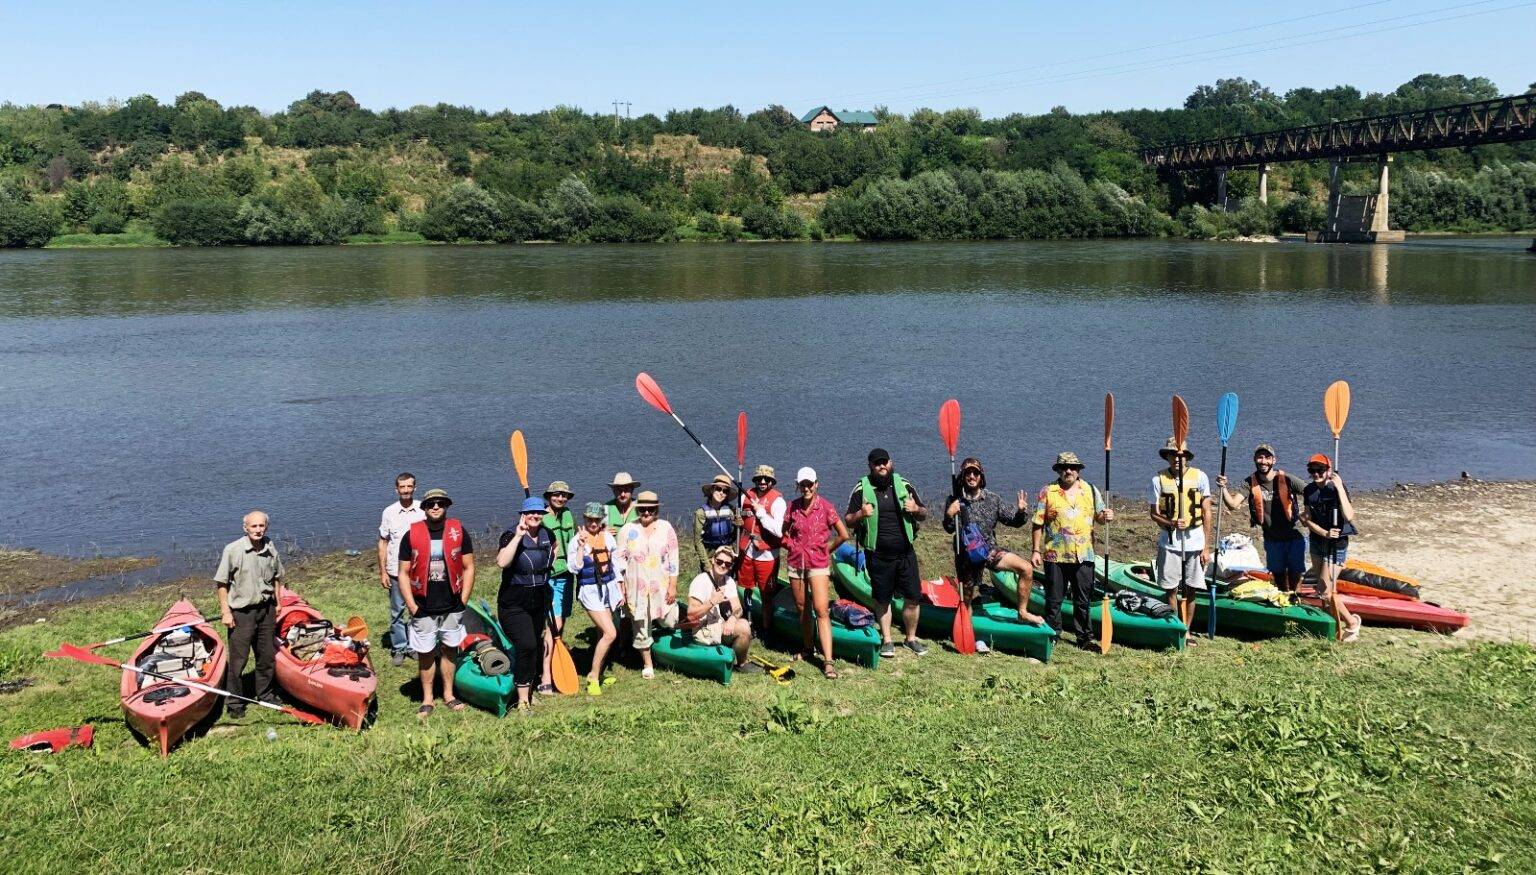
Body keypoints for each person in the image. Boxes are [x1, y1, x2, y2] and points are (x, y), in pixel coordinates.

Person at [397, 488, 475, 718]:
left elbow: (469, 567)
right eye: (431, 504)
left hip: (452, 603)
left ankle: (449, 694)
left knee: (450, 650)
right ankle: (428, 698)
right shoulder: (411, 535)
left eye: (440, 503)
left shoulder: (459, 532)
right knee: (426, 653)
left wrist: (463, 600)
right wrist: (412, 606)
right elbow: (403, 573)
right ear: (424, 507)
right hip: (423, 604)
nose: (435, 507)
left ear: (447, 506)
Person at [943, 456, 1041, 636]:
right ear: (962, 477)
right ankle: (966, 631)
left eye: (975, 473)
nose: (972, 476)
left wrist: (1021, 512)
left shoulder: (993, 499)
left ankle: (1022, 612)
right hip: (966, 556)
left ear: (981, 476)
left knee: (1026, 568)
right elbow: (949, 529)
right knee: (967, 600)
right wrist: (949, 515)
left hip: (989, 551)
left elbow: (1013, 521)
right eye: (968, 473)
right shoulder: (954, 500)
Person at [845, 448, 929, 658]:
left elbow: (924, 513)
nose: (881, 466)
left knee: (912, 598)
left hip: (905, 553)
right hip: (878, 556)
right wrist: (860, 513)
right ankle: (888, 640)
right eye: (877, 463)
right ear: (870, 466)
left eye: (884, 462)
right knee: (882, 599)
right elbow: (847, 520)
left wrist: (915, 509)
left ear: (891, 463)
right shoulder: (860, 489)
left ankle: (910, 638)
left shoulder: (904, 485)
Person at [1030, 453, 1115, 650]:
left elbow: (1100, 517)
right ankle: (1052, 634)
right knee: (1053, 600)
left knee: (1083, 600)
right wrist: (1035, 550)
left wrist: (1106, 515)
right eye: (1065, 467)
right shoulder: (1048, 492)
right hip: (1055, 556)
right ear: (1059, 470)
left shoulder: (1091, 490)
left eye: (1073, 467)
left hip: (1084, 555)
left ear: (1078, 470)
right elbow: (1037, 523)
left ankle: (1084, 638)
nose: (1069, 471)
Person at [213, 510, 285, 718]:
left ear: (266, 527)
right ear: (245, 528)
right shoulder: (233, 550)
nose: (258, 530)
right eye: (253, 526)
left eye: (261, 526)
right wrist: (225, 612)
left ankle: (265, 694)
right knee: (238, 660)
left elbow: (277, 577)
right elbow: (221, 583)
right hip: (242, 613)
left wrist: (278, 603)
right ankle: (235, 702)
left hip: (267, 610)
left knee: (266, 656)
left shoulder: (270, 546)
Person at [782, 467, 852, 677]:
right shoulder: (792, 507)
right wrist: (791, 545)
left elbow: (843, 534)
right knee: (802, 609)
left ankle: (828, 661)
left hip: (818, 565)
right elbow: (784, 533)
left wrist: (827, 549)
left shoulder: (826, 507)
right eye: (802, 484)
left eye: (809, 484)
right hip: (796, 564)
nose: (806, 488)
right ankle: (807, 648)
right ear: (798, 485)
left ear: (816, 484)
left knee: (821, 610)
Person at [1215, 444, 1309, 592]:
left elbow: (1310, 492)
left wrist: (1307, 514)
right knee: (1279, 578)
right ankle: (1283, 605)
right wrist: (1224, 487)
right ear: (1254, 459)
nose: (1263, 461)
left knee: (1294, 575)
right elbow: (1233, 504)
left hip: (1293, 535)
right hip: (1271, 537)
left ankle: (1295, 602)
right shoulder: (1249, 483)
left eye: (1267, 457)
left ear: (1274, 460)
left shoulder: (1287, 479)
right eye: (1260, 457)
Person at [1148, 438, 1212, 645]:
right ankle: (1174, 626)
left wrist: (1206, 546)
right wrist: (1171, 522)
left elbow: (1207, 512)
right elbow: (1153, 513)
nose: (1177, 459)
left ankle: (1187, 630)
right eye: (1172, 455)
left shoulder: (1200, 477)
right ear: (1167, 456)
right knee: (1171, 588)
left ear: (1187, 457)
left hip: (1195, 541)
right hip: (1170, 543)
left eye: (1181, 455)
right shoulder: (1158, 480)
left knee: (1191, 588)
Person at [495, 497, 556, 711]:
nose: (535, 516)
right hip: (513, 601)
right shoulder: (511, 534)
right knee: (527, 645)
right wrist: (519, 536)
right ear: (523, 514)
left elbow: (552, 555)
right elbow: (502, 562)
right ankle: (522, 700)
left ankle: (529, 689)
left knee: (536, 645)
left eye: (539, 513)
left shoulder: (548, 534)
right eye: (531, 513)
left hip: (538, 599)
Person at [616, 490, 680, 678]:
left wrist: (673, 585)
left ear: (656, 510)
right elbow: (619, 561)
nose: (646, 513)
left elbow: (673, 558)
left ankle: (661, 639)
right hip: (636, 587)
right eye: (642, 509)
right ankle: (648, 663)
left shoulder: (666, 527)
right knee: (641, 624)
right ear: (637, 509)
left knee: (669, 620)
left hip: (661, 586)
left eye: (650, 509)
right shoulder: (627, 530)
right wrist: (622, 587)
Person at [1301, 454, 1362, 643]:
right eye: (1312, 470)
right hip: (1319, 541)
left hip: (1337, 544)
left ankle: (1352, 623)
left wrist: (1339, 487)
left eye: (1320, 470)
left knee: (1326, 591)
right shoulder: (1309, 490)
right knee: (1322, 591)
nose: (1316, 474)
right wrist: (1322, 532)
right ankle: (1330, 626)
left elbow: (1350, 515)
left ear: (1329, 470)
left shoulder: (1337, 488)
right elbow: (1306, 519)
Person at [568, 502, 626, 695]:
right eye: (589, 519)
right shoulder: (577, 540)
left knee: (603, 634)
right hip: (590, 592)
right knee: (610, 633)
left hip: (608, 590)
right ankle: (592, 677)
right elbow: (573, 568)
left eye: (596, 520)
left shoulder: (608, 537)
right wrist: (580, 547)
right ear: (584, 519)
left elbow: (615, 565)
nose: (593, 523)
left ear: (601, 521)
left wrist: (620, 589)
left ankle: (599, 674)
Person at [684, 545, 761, 675]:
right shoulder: (700, 581)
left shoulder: (728, 581)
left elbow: (738, 608)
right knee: (743, 628)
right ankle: (734, 660)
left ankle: (740, 662)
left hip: (718, 625)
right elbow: (691, 615)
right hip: (703, 629)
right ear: (713, 560)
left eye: (727, 564)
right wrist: (712, 601)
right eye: (720, 561)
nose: (723, 565)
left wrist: (732, 619)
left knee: (743, 624)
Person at [377, 472, 424, 666]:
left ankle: (414, 646)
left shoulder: (423, 509)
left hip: (418, 571)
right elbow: (383, 542)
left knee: (417, 610)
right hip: (396, 572)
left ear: (415, 488)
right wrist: (383, 571)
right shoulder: (389, 512)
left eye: (409, 487)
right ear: (396, 489)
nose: (406, 490)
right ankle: (399, 648)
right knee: (397, 612)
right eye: (402, 487)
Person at [539, 481, 578, 695]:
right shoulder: (540, 515)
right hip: (550, 577)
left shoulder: (568, 515)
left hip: (567, 575)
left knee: (560, 626)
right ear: (548, 496)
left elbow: (572, 542)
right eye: (556, 495)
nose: (560, 499)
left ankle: (554, 665)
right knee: (554, 625)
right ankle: (545, 675)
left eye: (564, 496)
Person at [738, 465, 786, 598]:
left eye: (767, 479)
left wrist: (761, 513)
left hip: (767, 555)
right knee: (745, 588)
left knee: (767, 596)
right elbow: (741, 519)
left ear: (772, 482)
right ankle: (747, 616)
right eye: (760, 478)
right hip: (747, 552)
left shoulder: (778, 502)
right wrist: (736, 520)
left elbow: (779, 531)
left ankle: (767, 618)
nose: (763, 482)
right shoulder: (744, 497)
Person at [694, 474, 741, 572]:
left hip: (728, 556)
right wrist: (706, 563)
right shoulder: (701, 513)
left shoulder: (731, 510)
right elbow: (698, 541)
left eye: (725, 491)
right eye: (718, 489)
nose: (721, 493)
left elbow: (735, 536)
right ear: (712, 490)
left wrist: (739, 526)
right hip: (710, 556)